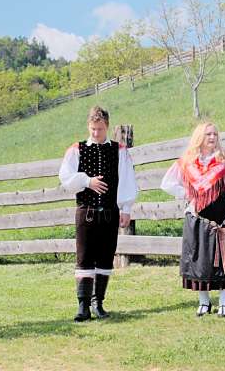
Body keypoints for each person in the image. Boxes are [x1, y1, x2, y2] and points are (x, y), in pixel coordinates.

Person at [59, 106, 138, 322]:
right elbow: (65, 178)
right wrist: (87, 181)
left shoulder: (119, 150)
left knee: (105, 257)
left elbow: (127, 179)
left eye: (100, 129)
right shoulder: (77, 149)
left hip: (110, 212)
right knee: (84, 257)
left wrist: (126, 209)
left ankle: (98, 303)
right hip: (86, 211)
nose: (96, 133)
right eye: (93, 129)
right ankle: (83, 307)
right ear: (88, 126)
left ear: (107, 127)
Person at [161, 122, 225, 317]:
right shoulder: (188, 163)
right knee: (199, 262)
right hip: (197, 220)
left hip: (221, 220)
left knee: (224, 263)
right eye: (208, 134)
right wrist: (188, 194)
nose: (212, 137)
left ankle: (224, 302)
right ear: (200, 137)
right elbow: (167, 183)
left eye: (215, 134)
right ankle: (204, 301)